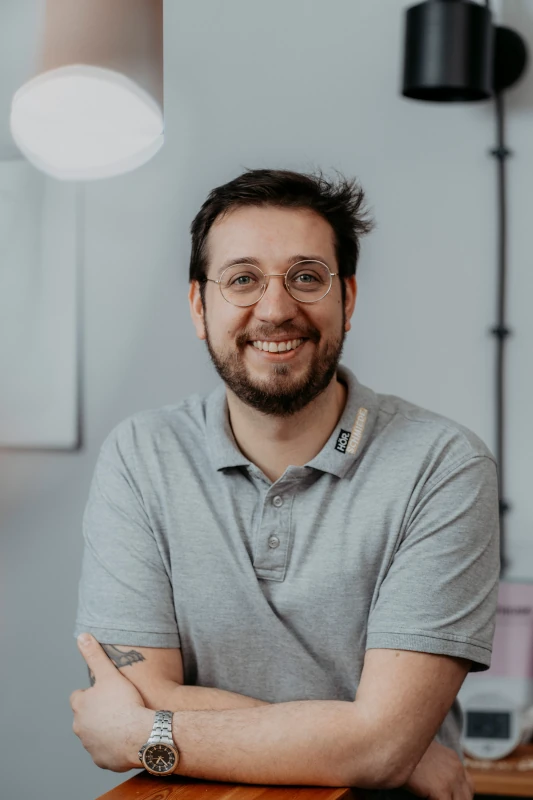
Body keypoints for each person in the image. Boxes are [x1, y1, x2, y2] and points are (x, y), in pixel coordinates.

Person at [70, 168, 499, 797]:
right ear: (199, 305)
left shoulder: (443, 464)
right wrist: (370, 745)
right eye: (243, 279)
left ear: (347, 300)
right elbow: (143, 688)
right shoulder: (142, 454)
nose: (275, 309)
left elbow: (380, 748)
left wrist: (146, 734)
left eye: (306, 277)